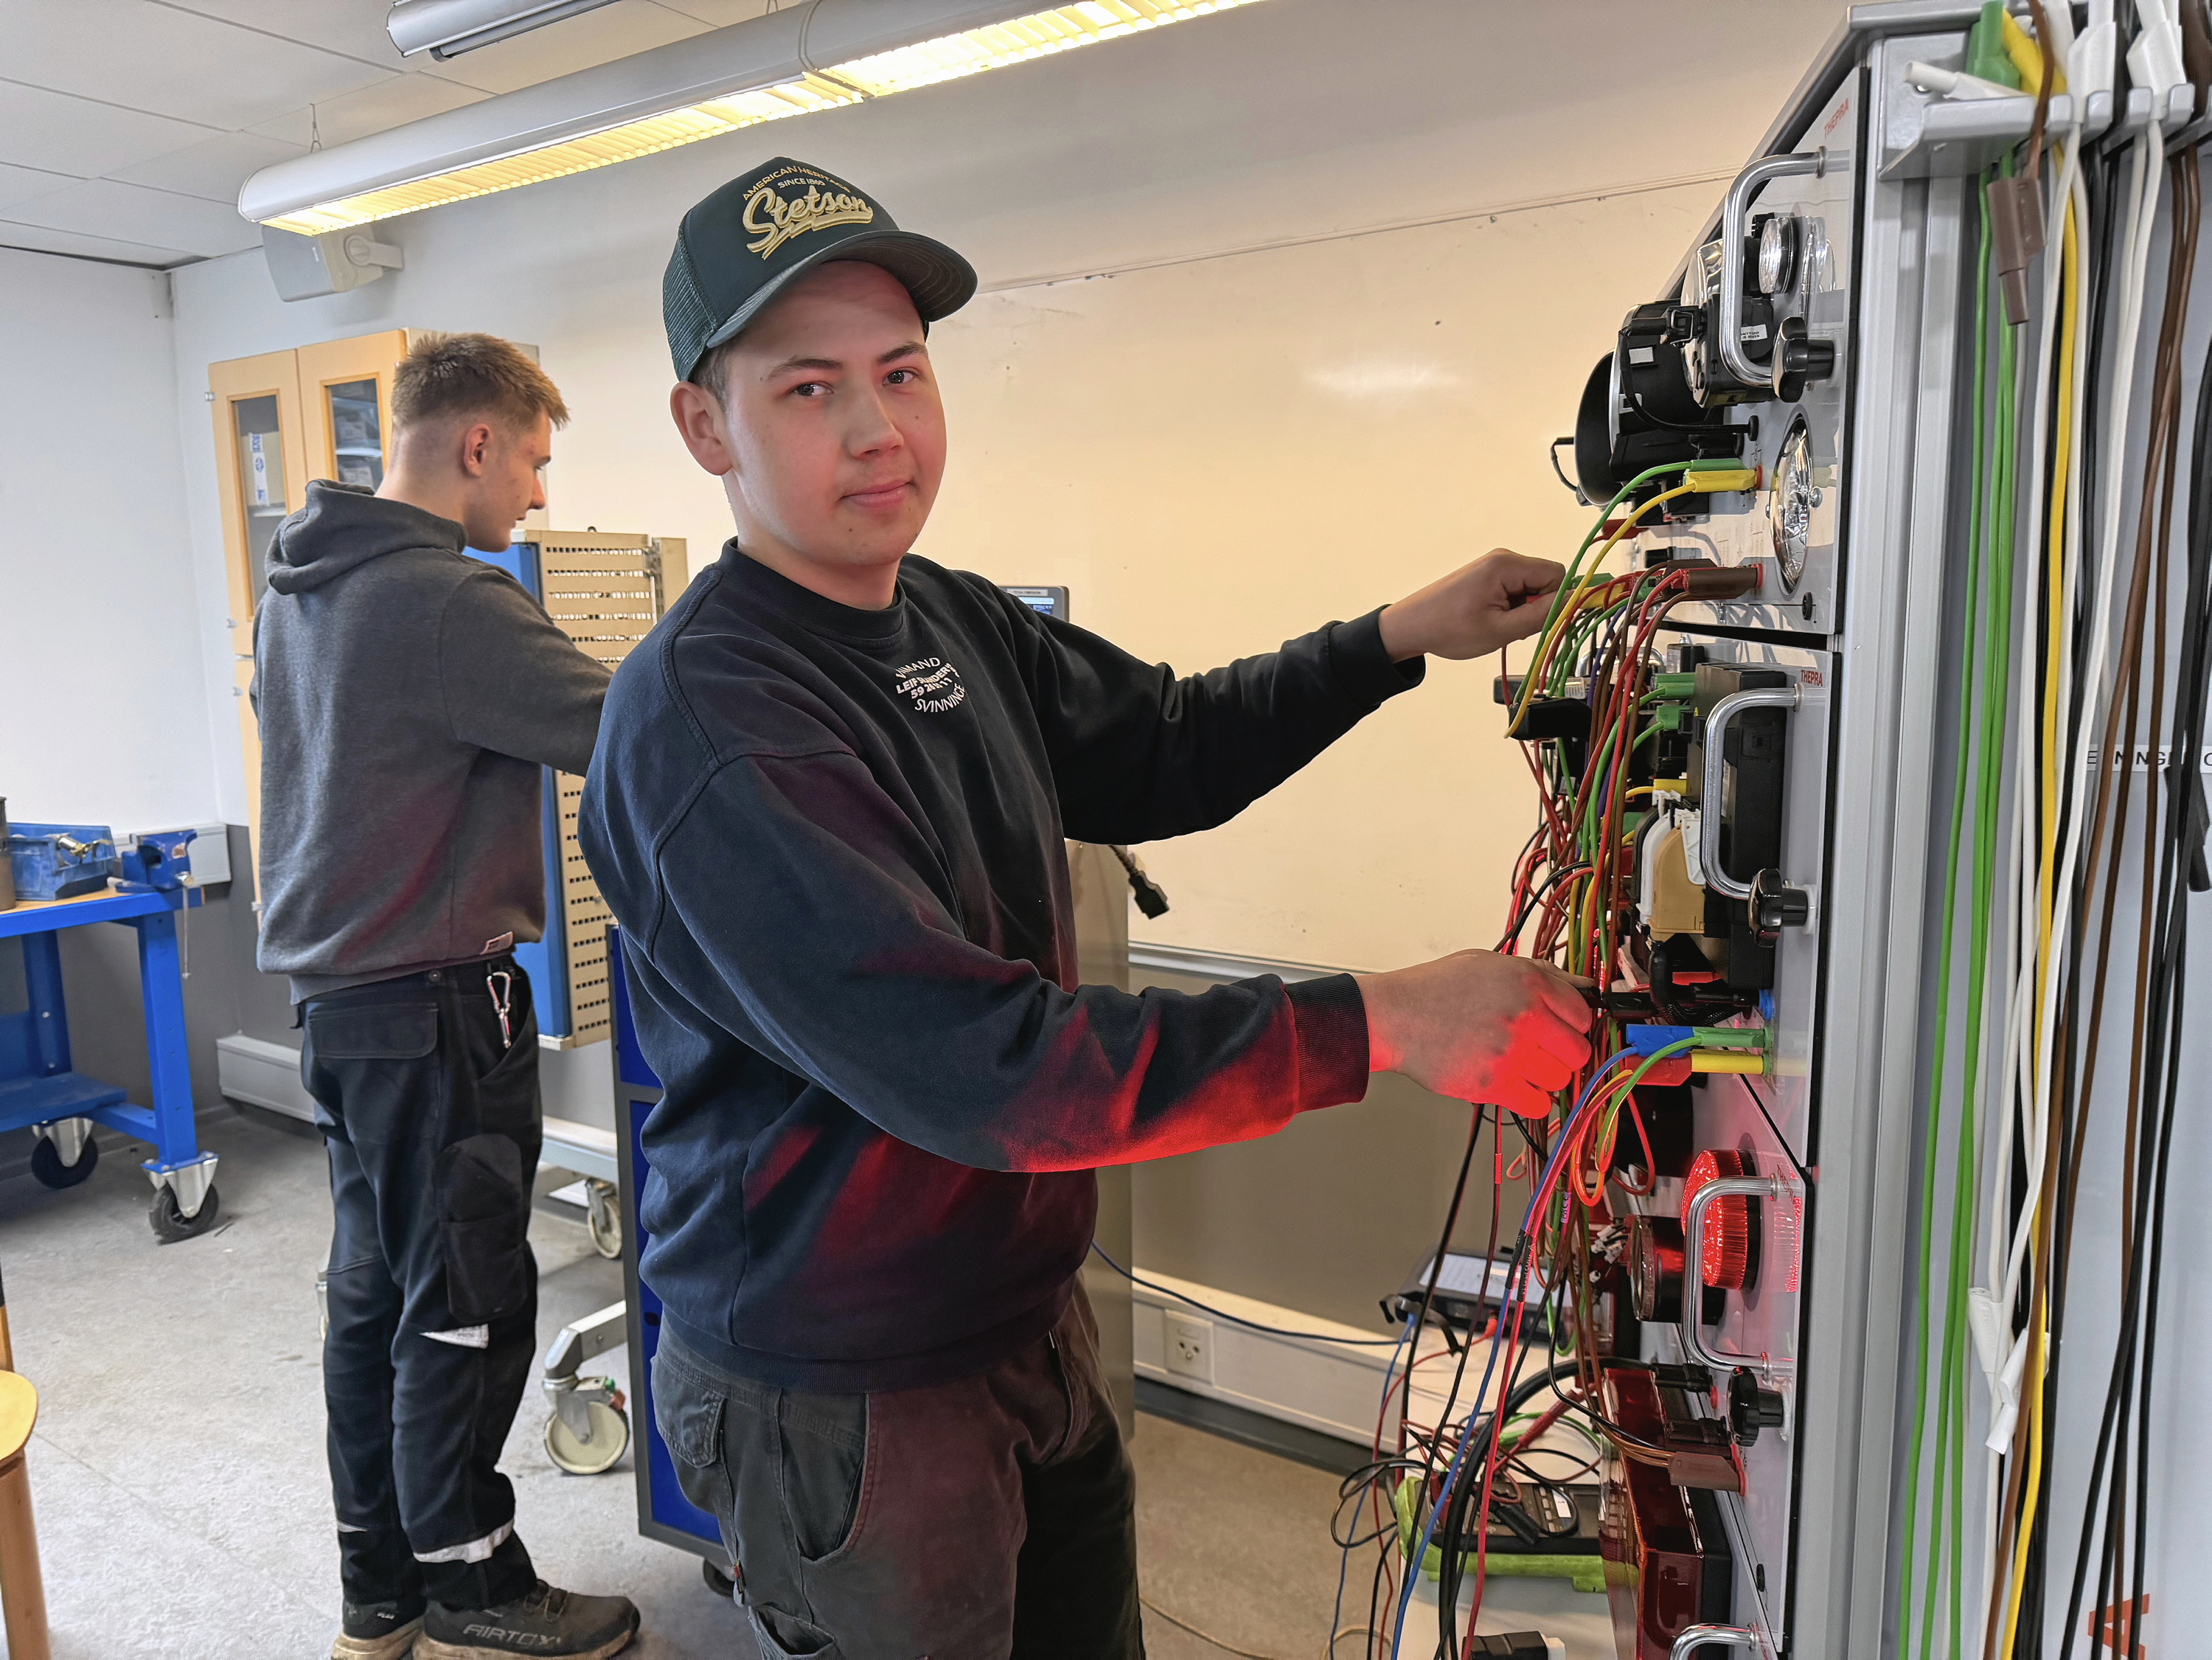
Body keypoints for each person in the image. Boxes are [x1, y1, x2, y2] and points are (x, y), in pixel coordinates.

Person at [578, 157, 1592, 1660]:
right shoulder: (713, 722)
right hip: (846, 1383)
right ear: (702, 422)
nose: (878, 430)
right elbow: (992, 1072)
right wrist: (1386, 1021)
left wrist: (1395, 638)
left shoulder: (946, 614)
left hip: (1020, 1319)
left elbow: (1165, 743)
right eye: (808, 390)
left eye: (903, 372)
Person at [253, 332, 640, 1660]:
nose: (536, 497)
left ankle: (384, 1586)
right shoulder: (451, 602)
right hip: (433, 1007)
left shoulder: (301, 585)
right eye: (533, 461)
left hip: (340, 1006)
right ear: (476, 443)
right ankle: (476, 1584)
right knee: (468, 1299)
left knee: (377, 1297)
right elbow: (633, 731)